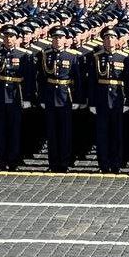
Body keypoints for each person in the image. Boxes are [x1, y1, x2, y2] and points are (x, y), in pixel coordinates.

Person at [0, 24, 34, 171]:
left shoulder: (23, 55)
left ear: (17, 38)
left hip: (16, 96)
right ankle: (1, 160)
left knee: (15, 130)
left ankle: (14, 160)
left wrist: (27, 98)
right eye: (6, 36)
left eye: (12, 36)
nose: (9, 39)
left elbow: (29, 78)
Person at [38, 26, 83, 172]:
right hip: (50, 96)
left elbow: (78, 80)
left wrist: (77, 99)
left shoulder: (72, 56)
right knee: (51, 132)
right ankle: (53, 163)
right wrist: (42, 98)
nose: (57, 40)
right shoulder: (45, 54)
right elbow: (41, 78)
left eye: (60, 38)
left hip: (65, 97)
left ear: (65, 40)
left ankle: (64, 162)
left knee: (65, 132)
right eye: (55, 38)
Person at [87, 25, 128, 173]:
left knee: (117, 134)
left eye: (112, 37)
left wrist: (127, 101)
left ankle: (116, 164)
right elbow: (92, 81)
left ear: (117, 40)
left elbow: (128, 81)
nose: (109, 40)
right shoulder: (97, 58)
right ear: (103, 41)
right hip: (101, 100)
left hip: (117, 99)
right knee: (102, 134)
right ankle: (103, 165)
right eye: (106, 38)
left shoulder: (123, 57)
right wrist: (91, 102)